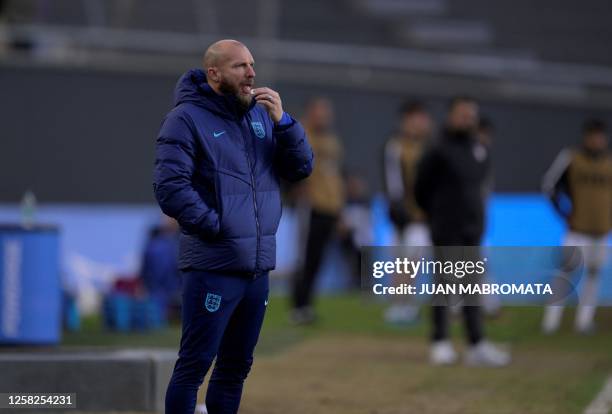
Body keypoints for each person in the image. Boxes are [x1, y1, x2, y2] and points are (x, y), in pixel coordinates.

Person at [153, 39, 313, 414]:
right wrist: (216, 226)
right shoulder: (185, 119)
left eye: (252, 65)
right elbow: (170, 187)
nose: (252, 73)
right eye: (240, 66)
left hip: (256, 268)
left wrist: (285, 123)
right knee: (194, 367)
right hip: (213, 265)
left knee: (235, 369)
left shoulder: (261, 115)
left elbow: (302, 168)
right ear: (214, 73)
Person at [415, 96, 510, 366]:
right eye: (462, 114)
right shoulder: (437, 149)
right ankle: (440, 341)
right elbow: (421, 188)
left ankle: (476, 344)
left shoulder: (479, 149)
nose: (467, 119)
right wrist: (437, 214)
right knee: (444, 285)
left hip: (473, 228)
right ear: (450, 116)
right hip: (446, 227)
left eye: (471, 115)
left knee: (472, 287)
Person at [541, 119, 611, 334]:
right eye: (592, 135)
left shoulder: (609, 162)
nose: (596, 140)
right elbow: (549, 185)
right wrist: (564, 213)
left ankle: (584, 321)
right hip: (577, 230)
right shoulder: (572, 158)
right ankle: (550, 321)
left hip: (601, 231)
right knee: (565, 273)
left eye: (599, 135)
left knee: (593, 275)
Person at [290, 97, 345, 324]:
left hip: (330, 207)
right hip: (310, 206)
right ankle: (298, 306)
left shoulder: (332, 141)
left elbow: (336, 175)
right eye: (319, 112)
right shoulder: (300, 133)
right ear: (310, 113)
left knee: (318, 259)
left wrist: (340, 208)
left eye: (326, 112)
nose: (323, 117)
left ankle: (308, 305)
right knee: (304, 257)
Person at [383, 101, 433, 324]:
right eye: (416, 119)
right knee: (405, 261)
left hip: (427, 214)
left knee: (415, 260)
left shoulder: (429, 147)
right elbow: (393, 183)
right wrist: (401, 211)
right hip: (407, 215)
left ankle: (408, 304)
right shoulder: (396, 147)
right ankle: (400, 305)